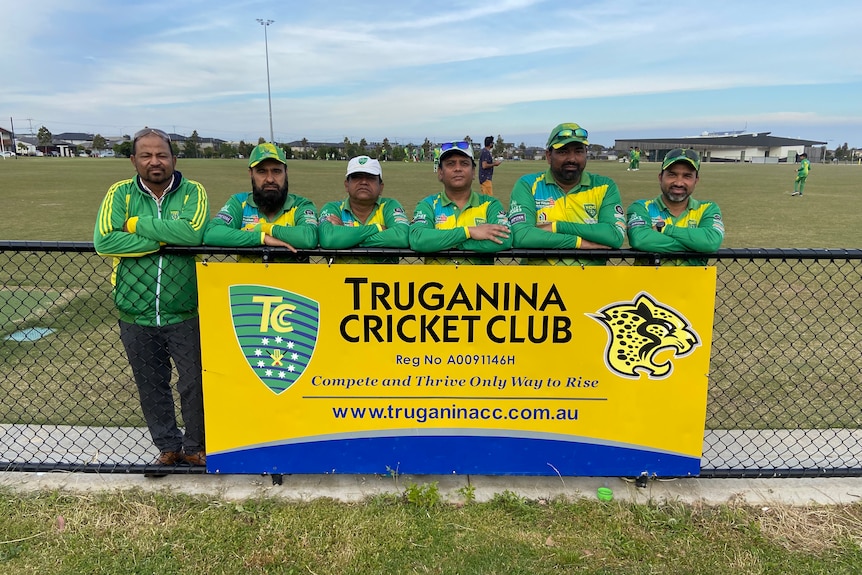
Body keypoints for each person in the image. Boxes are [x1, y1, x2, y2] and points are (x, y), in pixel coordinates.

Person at [93, 127, 209, 473]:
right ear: (134, 160)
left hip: (184, 309)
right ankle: (168, 447)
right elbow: (104, 242)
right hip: (135, 312)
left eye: (161, 155)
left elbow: (193, 234)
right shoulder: (119, 193)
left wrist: (133, 224)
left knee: (194, 383)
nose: (154, 161)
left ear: (173, 158)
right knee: (151, 384)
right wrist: (161, 241)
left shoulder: (192, 192)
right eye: (146, 155)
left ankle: (195, 447)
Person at [507, 122, 626, 265]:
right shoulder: (528, 184)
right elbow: (522, 236)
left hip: (590, 283)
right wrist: (578, 243)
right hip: (538, 283)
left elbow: (614, 236)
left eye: (578, 151)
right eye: (563, 151)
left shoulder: (605, 186)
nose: (572, 158)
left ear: (586, 154)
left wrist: (556, 227)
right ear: (549, 156)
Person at [204, 143, 318, 255]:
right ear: (251, 174)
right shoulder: (239, 202)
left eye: (276, 171)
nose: (270, 179)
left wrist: (264, 228)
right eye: (261, 171)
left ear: (286, 172)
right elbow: (211, 233)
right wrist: (261, 238)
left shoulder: (301, 205)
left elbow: (308, 237)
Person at [409, 140, 511, 262]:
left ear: (473, 172)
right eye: (450, 164)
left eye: (464, 163)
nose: (458, 168)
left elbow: (505, 239)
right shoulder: (428, 205)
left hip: (480, 281)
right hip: (438, 281)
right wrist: (468, 232)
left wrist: (446, 243)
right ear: (440, 172)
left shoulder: (490, 204)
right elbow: (418, 239)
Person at [626, 148, 724, 266]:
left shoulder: (708, 209)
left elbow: (710, 242)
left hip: (692, 284)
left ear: (696, 180)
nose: (678, 182)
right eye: (672, 174)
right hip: (649, 284)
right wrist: (695, 245)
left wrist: (664, 229)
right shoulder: (641, 207)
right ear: (660, 177)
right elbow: (640, 240)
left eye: (687, 176)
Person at [318, 155, 409, 260]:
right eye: (357, 177)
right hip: (341, 276)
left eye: (370, 177)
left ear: (381, 187)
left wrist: (347, 237)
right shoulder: (333, 208)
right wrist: (377, 228)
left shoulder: (389, 206)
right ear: (346, 185)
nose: (364, 182)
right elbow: (329, 239)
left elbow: (402, 236)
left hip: (383, 276)